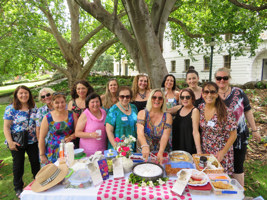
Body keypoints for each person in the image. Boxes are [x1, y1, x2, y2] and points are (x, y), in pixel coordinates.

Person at [215, 67, 261, 186]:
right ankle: (222, 191)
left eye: (225, 78)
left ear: (229, 79)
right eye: (219, 78)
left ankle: (240, 194)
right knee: (220, 165)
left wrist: (255, 130)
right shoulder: (213, 95)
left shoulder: (239, 92)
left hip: (239, 136)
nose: (222, 80)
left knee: (238, 166)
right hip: (221, 138)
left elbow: (248, 111)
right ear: (215, 79)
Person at [3, 85, 40, 198]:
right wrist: (10, 142)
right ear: (16, 95)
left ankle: (38, 182)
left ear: (29, 94)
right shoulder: (11, 109)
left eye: (26, 93)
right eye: (21, 93)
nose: (24, 95)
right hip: (17, 142)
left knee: (35, 163)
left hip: (32, 141)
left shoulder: (33, 106)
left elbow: (37, 123)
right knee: (18, 165)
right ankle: (18, 188)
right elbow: (6, 127)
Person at [199, 82, 237, 174]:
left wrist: (223, 152)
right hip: (206, 151)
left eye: (212, 92)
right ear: (202, 93)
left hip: (220, 152)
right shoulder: (201, 108)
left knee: (220, 182)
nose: (209, 95)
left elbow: (233, 135)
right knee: (206, 179)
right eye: (206, 92)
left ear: (217, 94)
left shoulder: (226, 112)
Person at [39, 93, 77, 164]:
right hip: (53, 151)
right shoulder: (48, 117)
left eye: (62, 102)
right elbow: (41, 137)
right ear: (52, 103)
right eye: (57, 103)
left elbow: (77, 131)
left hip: (69, 148)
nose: (60, 105)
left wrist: (71, 137)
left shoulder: (72, 114)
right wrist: (42, 154)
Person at [137, 89, 172, 164]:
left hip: (161, 151)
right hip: (144, 151)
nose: (157, 100)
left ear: (163, 100)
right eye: (154, 97)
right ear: (150, 99)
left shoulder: (167, 116)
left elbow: (165, 136)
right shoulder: (142, 113)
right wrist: (144, 145)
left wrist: (160, 152)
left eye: (160, 98)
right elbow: (140, 132)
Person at [105, 86, 138, 151]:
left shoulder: (133, 108)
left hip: (132, 146)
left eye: (127, 96)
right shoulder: (113, 110)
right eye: (122, 96)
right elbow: (109, 131)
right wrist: (116, 147)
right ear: (118, 97)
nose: (125, 99)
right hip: (118, 147)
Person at [172, 88, 202, 154]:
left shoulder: (195, 111)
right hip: (177, 145)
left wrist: (199, 150)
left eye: (187, 97)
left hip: (188, 147)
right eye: (182, 97)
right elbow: (164, 111)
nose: (185, 99)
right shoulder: (179, 108)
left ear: (192, 98)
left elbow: (196, 132)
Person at [68, 80, 94, 148]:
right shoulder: (72, 103)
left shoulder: (92, 102)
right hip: (75, 135)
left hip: (90, 133)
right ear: (75, 90)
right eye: (78, 89)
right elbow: (69, 119)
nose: (81, 91)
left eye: (83, 88)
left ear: (87, 89)